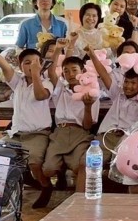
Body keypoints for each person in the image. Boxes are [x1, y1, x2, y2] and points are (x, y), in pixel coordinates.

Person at [0, 37, 55, 208]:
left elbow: (40, 95)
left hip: (38, 134)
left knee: (34, 162)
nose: (31, 66)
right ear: (20, 66)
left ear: (41, 65)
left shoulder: (47, 83)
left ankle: (46, 186)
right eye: (27, 63)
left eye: (35, 62)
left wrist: (36, 75)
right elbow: (3, 64)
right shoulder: (17, 83)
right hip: (15, 134)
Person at [76, 46, 138, 193]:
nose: (128, 86)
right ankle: (79, 201)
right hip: (106, 137)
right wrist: (91, 54)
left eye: (133, 83)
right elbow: (103, 73)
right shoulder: (117, 93)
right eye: (126, 82)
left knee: (120, 171)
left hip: (127, 141)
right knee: (85, 164)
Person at [43, 40, 101, 206]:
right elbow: (51, 71)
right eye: (66, 71)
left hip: (79, 133)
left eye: (74, 70)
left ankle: (78, 202)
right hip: (60, 133)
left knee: (78, 167)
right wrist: (58, 50)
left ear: (83, 72)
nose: (70, 74)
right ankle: (59, 173)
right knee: (48, 169)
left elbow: (88, 126)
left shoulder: (91, 93)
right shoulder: (61, 89)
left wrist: (87, 106)